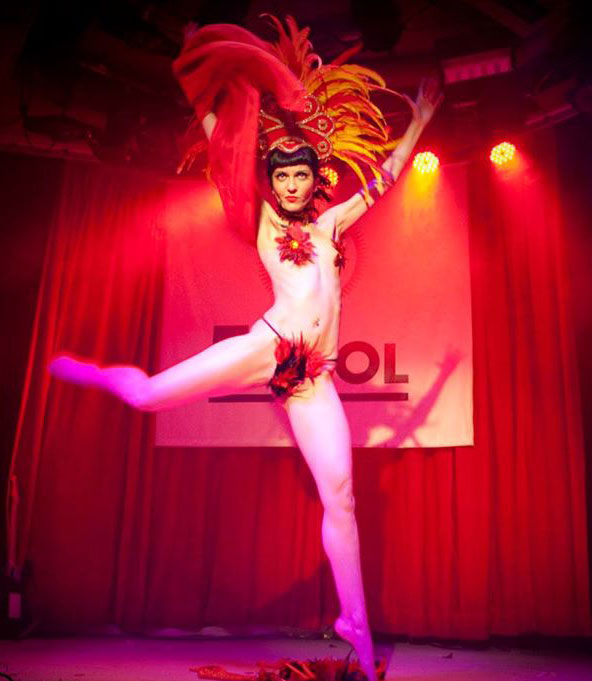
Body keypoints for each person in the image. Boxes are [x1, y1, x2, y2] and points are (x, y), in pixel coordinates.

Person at [50, 17, 441, 681]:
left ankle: (356, 624)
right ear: (273, 181)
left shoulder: (331, 222)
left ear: (312, 180)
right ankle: (99, 375)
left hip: (312, 378)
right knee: (150, 395)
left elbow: (388, 177)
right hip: (271, 344)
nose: (289, 185)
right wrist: (203, 98)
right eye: (281, 176)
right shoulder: (261, 220)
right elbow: (224, 150)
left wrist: (421, 121)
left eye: (298, 176)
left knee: (342, 496)